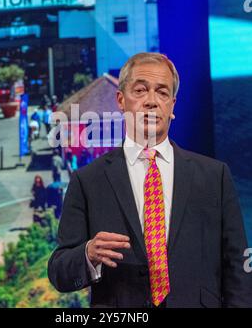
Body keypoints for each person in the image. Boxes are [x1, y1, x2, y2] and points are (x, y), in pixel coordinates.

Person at [48, 52, 252, 308]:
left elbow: (237, 268)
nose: (151, 101)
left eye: (162, 92)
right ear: (121, 100)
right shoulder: (87, 181)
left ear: (172, 105)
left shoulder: (214, 177)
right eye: (141, 90)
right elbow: (59, 271)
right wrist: (88, 254)